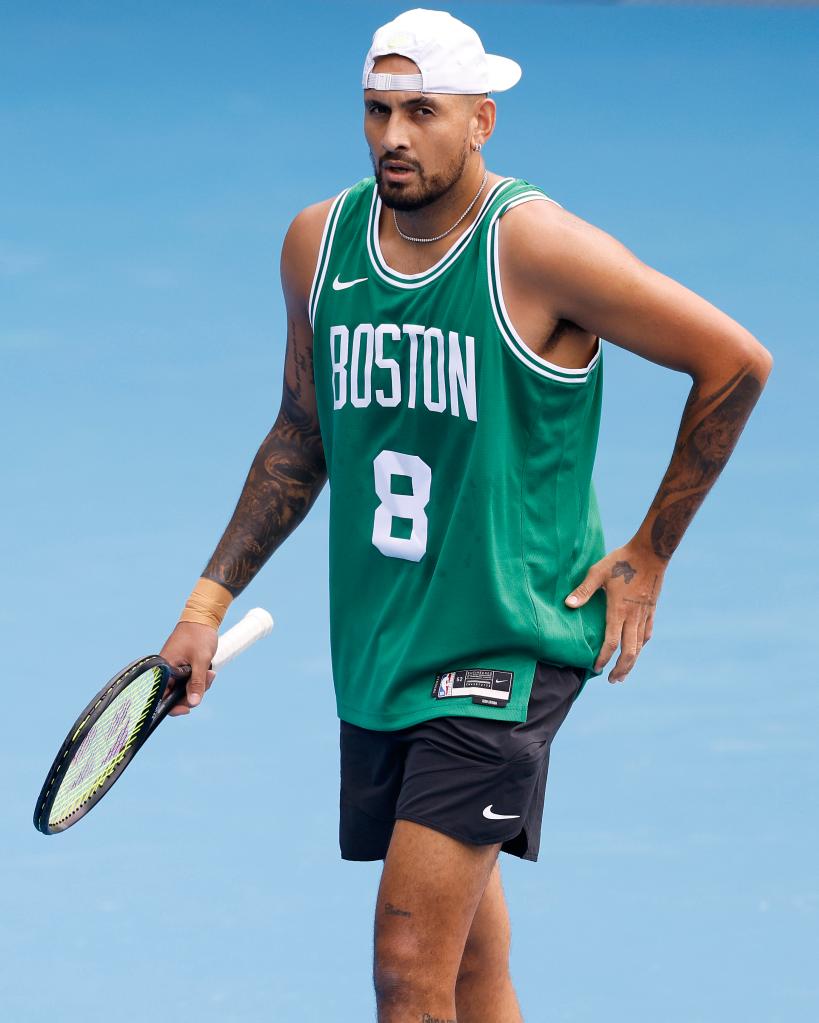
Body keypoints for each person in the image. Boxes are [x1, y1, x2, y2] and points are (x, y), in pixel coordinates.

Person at [158, 8, 773, 1021]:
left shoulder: (534, 249)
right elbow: (300, 437)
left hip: (505, 649)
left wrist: (651, 551)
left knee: (406, 972)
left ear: (480, 121)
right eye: (375, 110)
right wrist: (204, 602)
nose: (393, 135)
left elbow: (735, 361)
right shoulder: (320, 244)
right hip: (386, 648)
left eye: (421, 112)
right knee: (471, 971)